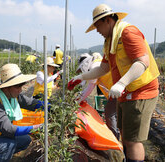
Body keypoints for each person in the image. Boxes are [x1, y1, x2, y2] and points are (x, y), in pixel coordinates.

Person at [68, 4, 160, 162]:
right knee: (125, 135)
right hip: (127, 93)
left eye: (98, 26)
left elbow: (142, 61)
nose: (97, 30)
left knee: (133, 140)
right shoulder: (110, 40)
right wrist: (81, 77)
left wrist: (121, 83)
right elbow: (104, 68)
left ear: (108, 20)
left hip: (141, 91)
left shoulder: (128, 33)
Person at [75, 52, 120, 139]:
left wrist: (78, 100)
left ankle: (114, 137)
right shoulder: (97, 63)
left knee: (110, 113)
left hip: (117, 91)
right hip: (115, 91)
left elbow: (89, 88)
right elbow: (86, 86)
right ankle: (116, 134)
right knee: (113, 113)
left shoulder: (95, 66)